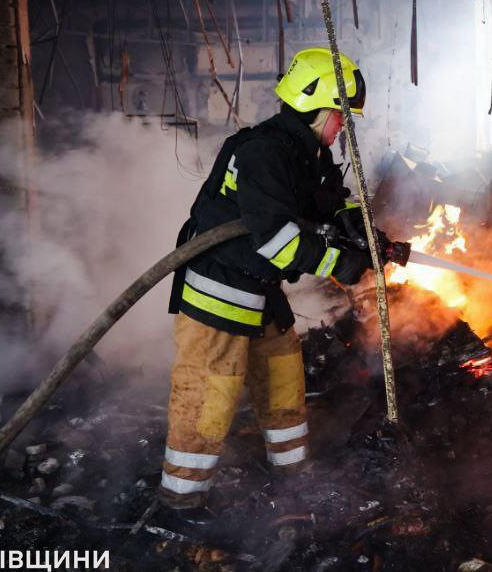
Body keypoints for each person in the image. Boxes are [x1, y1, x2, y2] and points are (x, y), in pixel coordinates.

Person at [159, 48, 377, 510]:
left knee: (283, 377)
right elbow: (276, 240)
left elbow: (328, 203)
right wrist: (341, 264)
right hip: (219, 291)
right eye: (342, 115)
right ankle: (182, 498)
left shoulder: (308, 153)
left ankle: (294, 475)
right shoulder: (262, 151)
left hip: (259, 291)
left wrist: (359, 228)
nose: (344, 127)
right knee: (209, 395)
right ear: (317, 108)